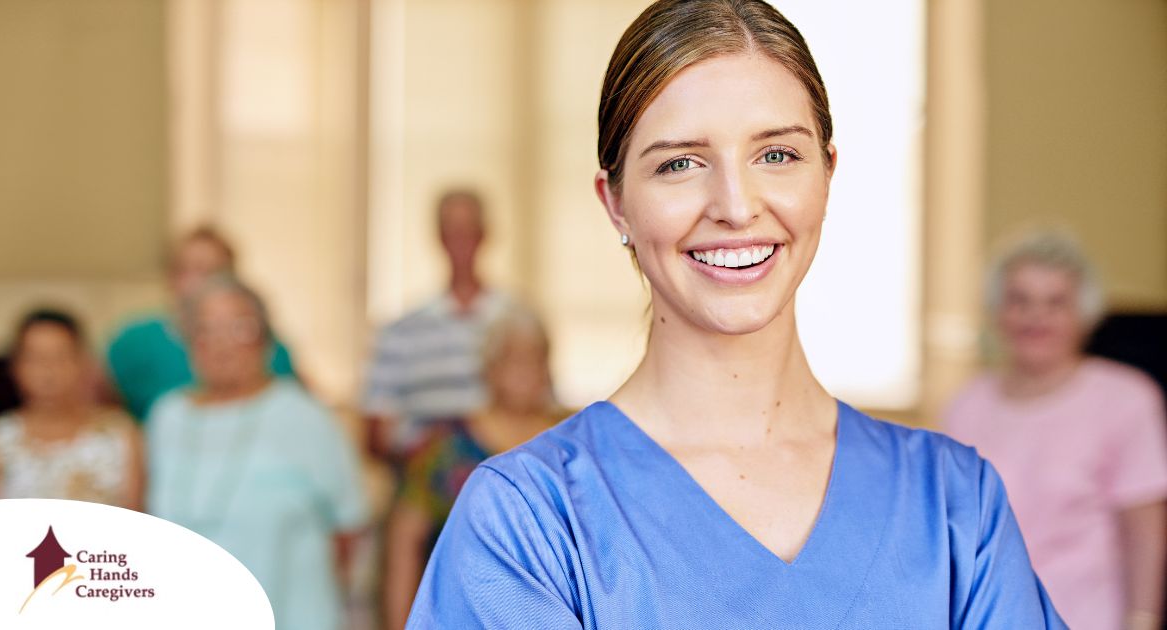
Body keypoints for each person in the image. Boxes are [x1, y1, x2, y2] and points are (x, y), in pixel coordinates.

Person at [407, 1, 1064, 627]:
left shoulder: (953, 508)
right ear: (616, 204)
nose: (736, 205)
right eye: (681, 163)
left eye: (776, 154)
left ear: (826, 176)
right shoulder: (528, 524)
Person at [944, 231, 1167, 630]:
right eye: (1020, 300)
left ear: (1084, 312)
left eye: (1055, 302)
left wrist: (1143, 620)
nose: (1036, 316)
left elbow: (1144, 531)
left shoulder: (1126, 398)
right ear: (997, 310)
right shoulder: (968, 402)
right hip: (986, 616)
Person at [145, 275, 367, 630]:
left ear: (265, 339)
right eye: (206, 329)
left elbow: (348, 528)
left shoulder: (304, 417)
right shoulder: (167, 416)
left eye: (239, 328)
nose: (222, 344)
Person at [383, 308, 567, 630]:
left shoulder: (567, 443)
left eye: (535, 359)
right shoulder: (447, 447)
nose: (525, 371)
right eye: (512, 359)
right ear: (489, 368)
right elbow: (404, 545)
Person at [361, 190, 510, 458]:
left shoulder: (517, 323)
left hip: (502, 466)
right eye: (451, 230)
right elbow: (376, 431)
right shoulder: (399, 332)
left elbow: (541, 411)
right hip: (425, 477)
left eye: (468, 229)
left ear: (484, 234)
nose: (461, 240)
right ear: (439, 237)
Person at [106, 226, 296, 421]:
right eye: (185, 270)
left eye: (211, 271)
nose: (197, 282)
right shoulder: (132, 344)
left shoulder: (265, 347)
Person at [0, 309, 142, 508]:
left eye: (60, 357)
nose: (48, 372)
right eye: (35, 358)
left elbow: (134, 521)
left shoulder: (121, 434)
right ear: (15, 366)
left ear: (82, 362)